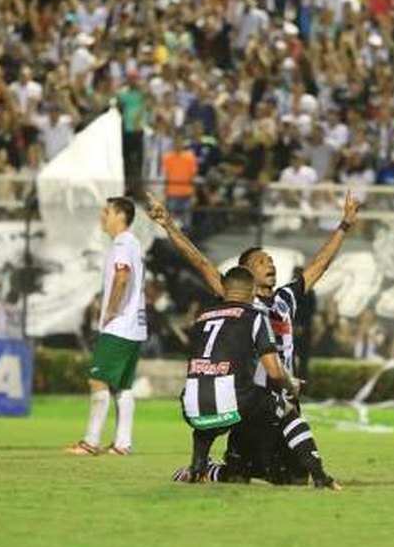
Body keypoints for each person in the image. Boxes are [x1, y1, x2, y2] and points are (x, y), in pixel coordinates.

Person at [147, 191, 359, 488]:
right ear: (245, 272)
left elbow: (319, 265)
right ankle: (204, 469)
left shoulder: (286, 299)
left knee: (295, 479)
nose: (269, 263)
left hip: (283, 397)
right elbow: (201, 263)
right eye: (261, 261)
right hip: (249, 398)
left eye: (270, 260)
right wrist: (169, 226)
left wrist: (345, 225)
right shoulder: (237, 300)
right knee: (238, 476)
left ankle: (224, 466)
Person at [178, 266, 314, 484]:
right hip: (239, 403)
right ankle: (320, 475)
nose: (270, 265)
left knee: (239, 471)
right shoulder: (254, 316)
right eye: (261, 261)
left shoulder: (202, 317)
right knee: (285, 418)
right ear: (252, 289)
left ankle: (198, 467)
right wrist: (291, 385)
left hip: (192, 408)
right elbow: (274, 371)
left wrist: (170, 229)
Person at [66, 197, 147, 456]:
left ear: (120, 215)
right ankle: (123, 444)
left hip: (120, 325)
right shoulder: (132, 243)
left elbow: (122, 277)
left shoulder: (122, 243)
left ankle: (90, 442)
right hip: (134, 326)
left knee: (97, 380)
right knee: (122, 386)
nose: (102, 216)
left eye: (106, 211)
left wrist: (111, 308)